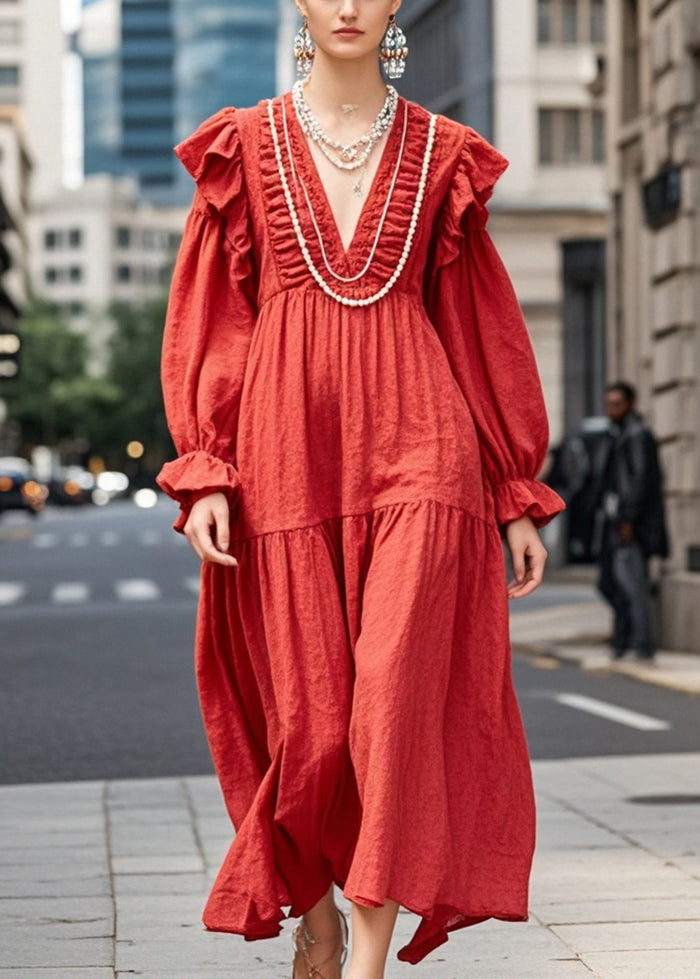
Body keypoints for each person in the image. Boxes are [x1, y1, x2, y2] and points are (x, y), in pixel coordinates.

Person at [156, 0, 564, 975]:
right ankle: (317, 909)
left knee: (393, 699)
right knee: (309, 719)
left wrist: (512, 483)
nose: (346, 4)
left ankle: (367, 963)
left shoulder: (444, 152)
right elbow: (209, 315)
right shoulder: (243, 146)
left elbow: (476, 324)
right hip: (284, 452)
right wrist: (206, 464)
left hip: (424, 446)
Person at [595, 381, 669, 663]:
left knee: (632, 586)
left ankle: (641, 646)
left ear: (631, 404)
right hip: (618, 522)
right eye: (608, 404)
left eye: (617, 404)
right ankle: (624, 640)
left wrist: (628, 519)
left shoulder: (637, 435)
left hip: (631, 526)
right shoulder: (619, 435)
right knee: (612, 583)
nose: (612, 410)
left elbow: (639, 482)